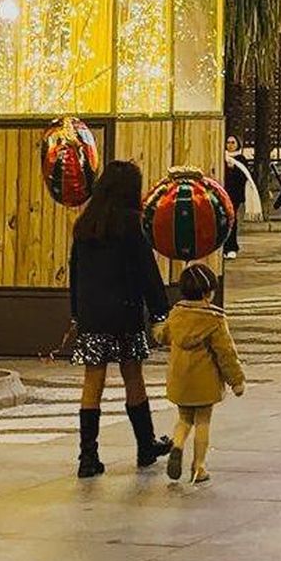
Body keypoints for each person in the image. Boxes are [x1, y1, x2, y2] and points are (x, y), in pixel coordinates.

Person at [68, 159, 172, 478]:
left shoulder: (85, 225)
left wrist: (77, 312)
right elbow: (146, 272)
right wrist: (159, 311)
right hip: (125, 314)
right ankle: (145, 445)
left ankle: (88, 457)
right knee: (133, 378)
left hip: (93, 315)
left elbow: (76, 274)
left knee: (92, 382)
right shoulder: (131, 224)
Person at [159, 262, 245, 484]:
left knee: (184, 419)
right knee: (203, 422)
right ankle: (199, 467)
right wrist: (237, 381)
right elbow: (225, 353)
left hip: (180, 379)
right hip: (204, 382)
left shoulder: (176, 314)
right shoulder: (214, 319)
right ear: (209, 292)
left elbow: (163, 335)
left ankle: (177, 445)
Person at [222, 136, 249, 257]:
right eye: (228, 142)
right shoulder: (222, 157)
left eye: (233, 142)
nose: (230, 145)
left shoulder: (240, 159)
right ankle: (224, 247)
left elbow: (243, 178)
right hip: (223, 193)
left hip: (235, 195)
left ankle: (232, 247)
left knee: (232, 219)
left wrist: (233, 169)